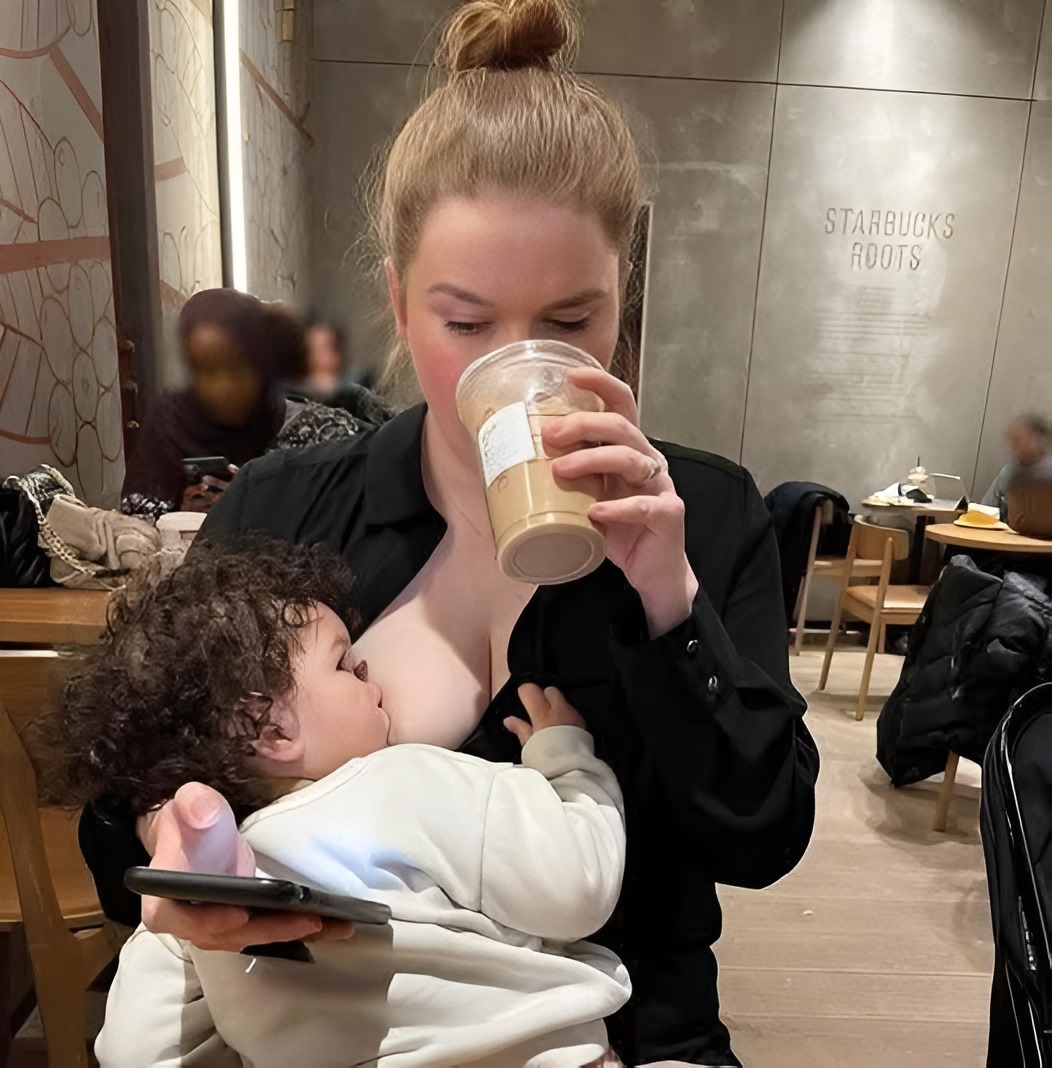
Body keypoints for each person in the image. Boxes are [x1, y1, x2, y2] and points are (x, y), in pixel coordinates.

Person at [80, 2, 819, 1063]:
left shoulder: (704, 510)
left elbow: (759, 837)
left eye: (570, 320)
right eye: (465, 322)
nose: (516, 362)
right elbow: (124, 805)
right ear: (398, 302)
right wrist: (180, 849)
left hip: (618, 1033)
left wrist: (671, 601)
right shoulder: (288, 508)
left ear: (622, 304)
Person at [47, 540, 629, 1066]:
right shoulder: (405, 779)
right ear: (270, 728)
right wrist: (567, 759)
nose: (370, 675)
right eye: (345, 663)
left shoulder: (203, 915)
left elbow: (133, 1051)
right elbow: (575, 888)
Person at [121, 289, 307, 514]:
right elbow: (135, 518)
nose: (222, 387)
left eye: (235, 368)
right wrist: (183, 515)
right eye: (204, 369)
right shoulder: (170, 423)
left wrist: (253, 507)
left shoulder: (308, 431)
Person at [980, 414, 1051, 520]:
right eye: (1011, 443)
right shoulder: (1009, 472)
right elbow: (985, 510)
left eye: (1017, 441)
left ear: (1036, 439)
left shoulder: (1047, 476)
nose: (1012, 450)